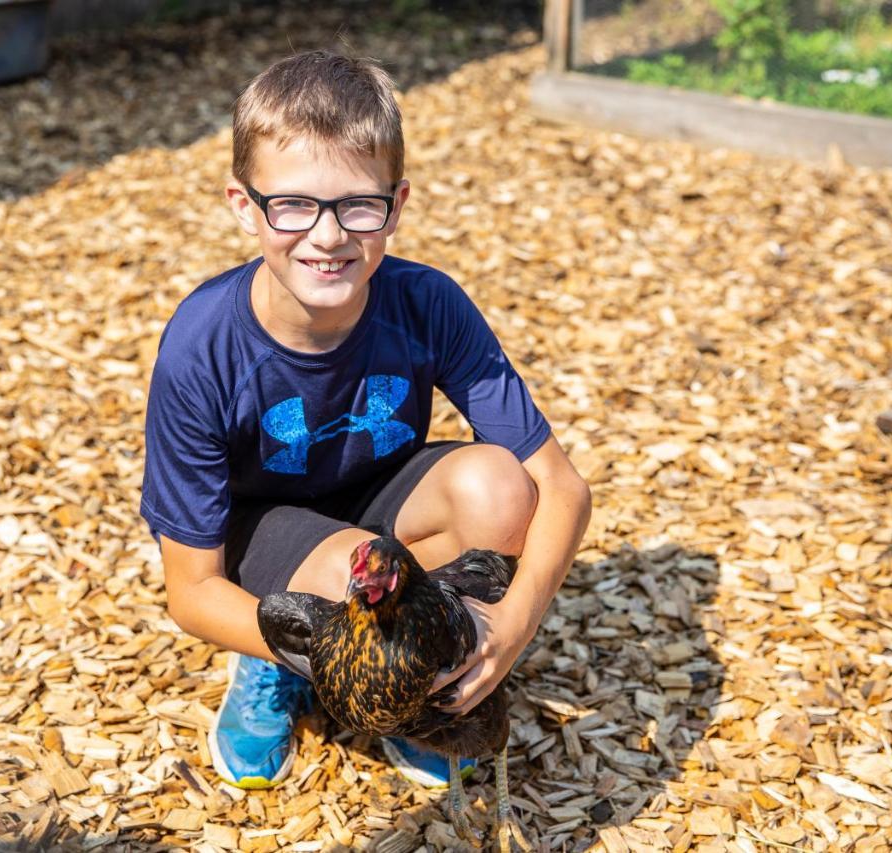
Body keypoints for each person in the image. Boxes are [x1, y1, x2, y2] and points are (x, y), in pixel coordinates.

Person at [140, 49, 592, 790]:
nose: (327, 236)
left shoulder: (427, 303)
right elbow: (191, 590)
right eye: (292, 205)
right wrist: (306, 636)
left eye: (358, 204)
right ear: (242, 205)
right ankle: (273, 664)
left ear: (397, 203)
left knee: (502, 488)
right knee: (343, 590)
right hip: (262, 527)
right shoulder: (203, 346)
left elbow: (563, 488)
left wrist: (513, 625)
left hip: (378, 499)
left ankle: (428, 683)